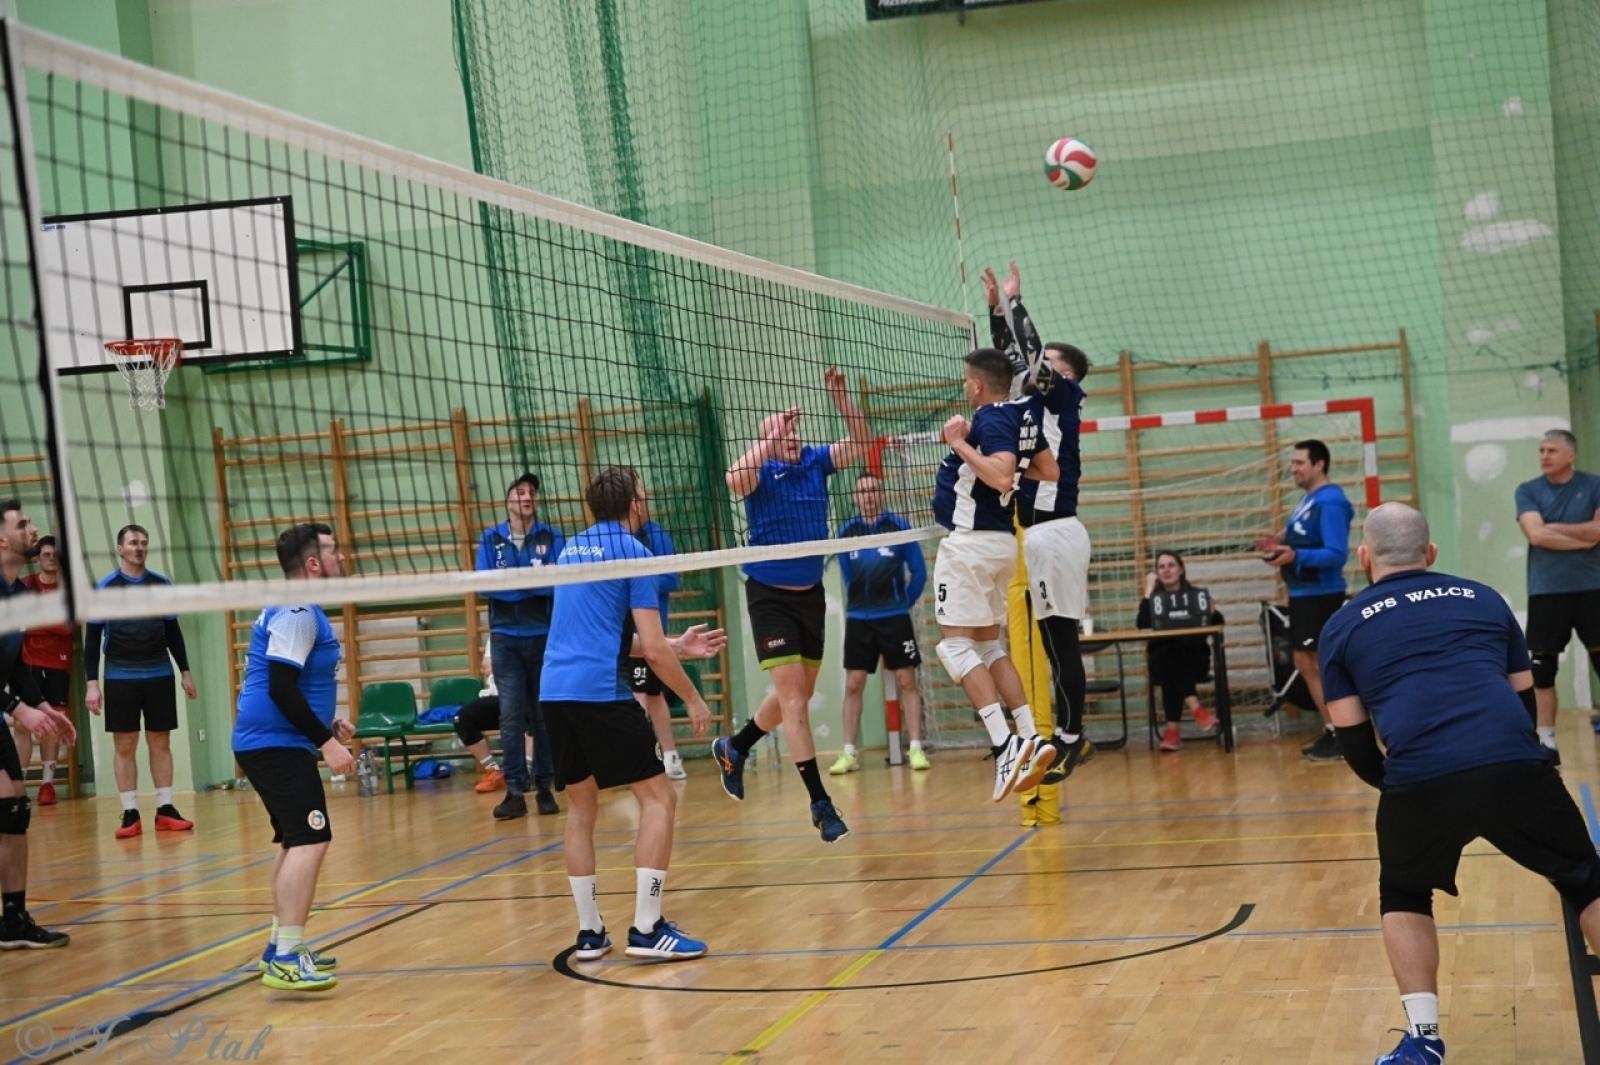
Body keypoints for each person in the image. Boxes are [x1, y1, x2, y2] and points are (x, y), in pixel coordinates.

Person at [1318, 502, 1600, 1065]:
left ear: (1365, 556)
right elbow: (1523, 699)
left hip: (1419, 775)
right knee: (1586, 878)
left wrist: (1400, 785)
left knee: (1403, 891)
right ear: (1431, 553)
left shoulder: (1342, 625)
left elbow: (1352, 741)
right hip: (1512, 761)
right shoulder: (1483, 598)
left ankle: (1423, 1042)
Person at [542, 466, 722, 961]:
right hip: (599, 693)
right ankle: (647, 928)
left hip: (554, 692)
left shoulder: (569, 551)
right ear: (634, 505)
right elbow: (653, 657)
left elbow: (607, 634)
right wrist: (693, 697)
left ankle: (590, 932)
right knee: (659, 798)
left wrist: (677, 645)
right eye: (645, 495)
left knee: (581, 808)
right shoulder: (636, 553)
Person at [711, 367, 869, 844]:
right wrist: (768, 437)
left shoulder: (815, 463)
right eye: (783, 433)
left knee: (792, 695)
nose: (792, 436)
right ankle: (820, 804)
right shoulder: (760, 474)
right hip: (769, 598)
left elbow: (861, 443)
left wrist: (841, 398)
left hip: (810, 597)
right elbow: (733, 478)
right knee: (794, 699)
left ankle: (735, 747)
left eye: (793, 430)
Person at [927, 347, 1058, 804]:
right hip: (1000, 543)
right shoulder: (1021, 419)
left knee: (954, 646)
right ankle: (1031, 736)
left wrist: (960, 445)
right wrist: (1011, 468)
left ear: (978, 386)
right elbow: (1050, 469)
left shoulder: (990, 420)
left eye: (967, 380)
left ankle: (1004, 745)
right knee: (986, 645)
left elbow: (1002, 479)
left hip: (971, 544)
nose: (965, 387)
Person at [233, 523, 355, 991]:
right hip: (275, 743)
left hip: (275, 741)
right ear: (311, 564)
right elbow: (281, 686)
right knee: (311, 839)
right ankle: (286, 955)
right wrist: (326, 743)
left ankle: (280, 945)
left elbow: (291, 683)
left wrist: (326, 727)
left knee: (295, 841)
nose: (340, 557)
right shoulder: (298, 610)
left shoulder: (299, 607)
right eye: (332, 550)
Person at [985, 262, 1094, 786]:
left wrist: (1016, 302)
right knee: (1051, 642)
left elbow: (1029, 355)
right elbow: (1013, 359)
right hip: (1037, 533)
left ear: (1064, 374)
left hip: (1055, 533)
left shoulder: (1063, 396)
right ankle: (1065, 737)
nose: (1036, 367)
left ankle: (1071, 740)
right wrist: (995, 310)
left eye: (1048, 363)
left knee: (1059, 644)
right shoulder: (1032, 399)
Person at [83, 524, 198, 837]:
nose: (139, 547)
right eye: (133, 542)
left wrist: (185, 671)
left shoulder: (161, 584)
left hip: (159, 672)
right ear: (120, 549)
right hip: (119, 675)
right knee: (125, 743)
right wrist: (92, 683)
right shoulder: (105, 588)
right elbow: (92, 639)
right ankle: (130, 812)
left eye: (144, 543)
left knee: (161, 740)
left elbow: (173, 631)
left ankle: (165, 808)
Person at [0, 500, 75, 948]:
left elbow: (15, 664)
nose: (33, 529)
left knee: (13, 810)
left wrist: (43, 705)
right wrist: (15, 710)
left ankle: (12, 920)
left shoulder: (18, 595)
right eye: (22, 523)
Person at [475, 472, 563, 820]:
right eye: (520, 492)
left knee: (543, 715)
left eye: (531, 493)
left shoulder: (550, 535)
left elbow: (557, 583)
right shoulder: (490, 538)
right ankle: (514, 790)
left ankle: (545, 788)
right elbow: (486, 585)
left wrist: (516, 582)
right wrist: (530, 582)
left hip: (542, 636)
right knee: (510, 717)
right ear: (508, 500)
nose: (527, 497)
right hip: (505, 640)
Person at [1259, 440, 1352, 762]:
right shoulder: (1308, 501)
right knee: (1307, 662)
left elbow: (1336, 553)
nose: (1293, 468)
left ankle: (1341, 732)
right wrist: (1278, 542)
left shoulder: (1331, 502)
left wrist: (1296, 555)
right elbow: (1300, 536)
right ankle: (1336, 730)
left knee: (1313, 663)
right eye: (1293, 462)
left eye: (1299, 462)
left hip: (1320, 594)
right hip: (1303, 595)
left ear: (1319, 464)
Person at [833, 472, 929, 774]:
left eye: (873, 490)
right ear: (855, 497)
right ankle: (849, 751)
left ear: (881, 493)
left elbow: (919, 573)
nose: (868, 495)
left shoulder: (898, 527)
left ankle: (915, 748)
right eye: (862, 491)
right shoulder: (847, 532)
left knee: (906, 681)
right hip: (860, 619)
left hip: (895, 618)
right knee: (853, 683)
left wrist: (902, 603)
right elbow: (848, 575)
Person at [1513, 428, 1600, 762]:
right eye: (1541, 450)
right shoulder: (1528, 490)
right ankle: (1546, 739)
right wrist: (1585, 536)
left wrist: (1555, 528)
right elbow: (1535, 534)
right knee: (1542, 668)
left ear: (1570, 455)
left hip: (1592, 587)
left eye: (1551, 450)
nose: (1544, 456)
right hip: (1547, 590)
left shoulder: (1593, 486)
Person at [1137, 550, 1222, 752]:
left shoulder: (1196, 595)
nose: (1166, 570)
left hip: (1194, 660)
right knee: (1167, 656)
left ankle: (1172, 732)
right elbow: (1142, 623)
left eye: (1171, 565)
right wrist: (1148, 589)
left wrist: (1214, 612)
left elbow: (1218, 623)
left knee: (1168, 662)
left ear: (1181, 569)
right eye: (1161, 567)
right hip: (1165, 662)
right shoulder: (1155, 598)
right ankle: (1196, 708)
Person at [626, 518, 687, 781]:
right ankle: (668, 755)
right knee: (650, 693)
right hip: (623, 629)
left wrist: (634, 579)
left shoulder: (656, 536)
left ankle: (643, 759)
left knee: (643, 693)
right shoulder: (616, 538)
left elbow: (670, 578)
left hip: (649, 626)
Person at [15, 536, 72, 805]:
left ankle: (47, 785)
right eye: (46, 554)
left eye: (54, 554)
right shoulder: (25, 586)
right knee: (22, 725)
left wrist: (36, 620)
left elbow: (68, 627)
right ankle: (19, 784)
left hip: (58, 664)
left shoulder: (68, 591)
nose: (50, 558)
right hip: (25, 665)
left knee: (53, 725)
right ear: (38, 557)